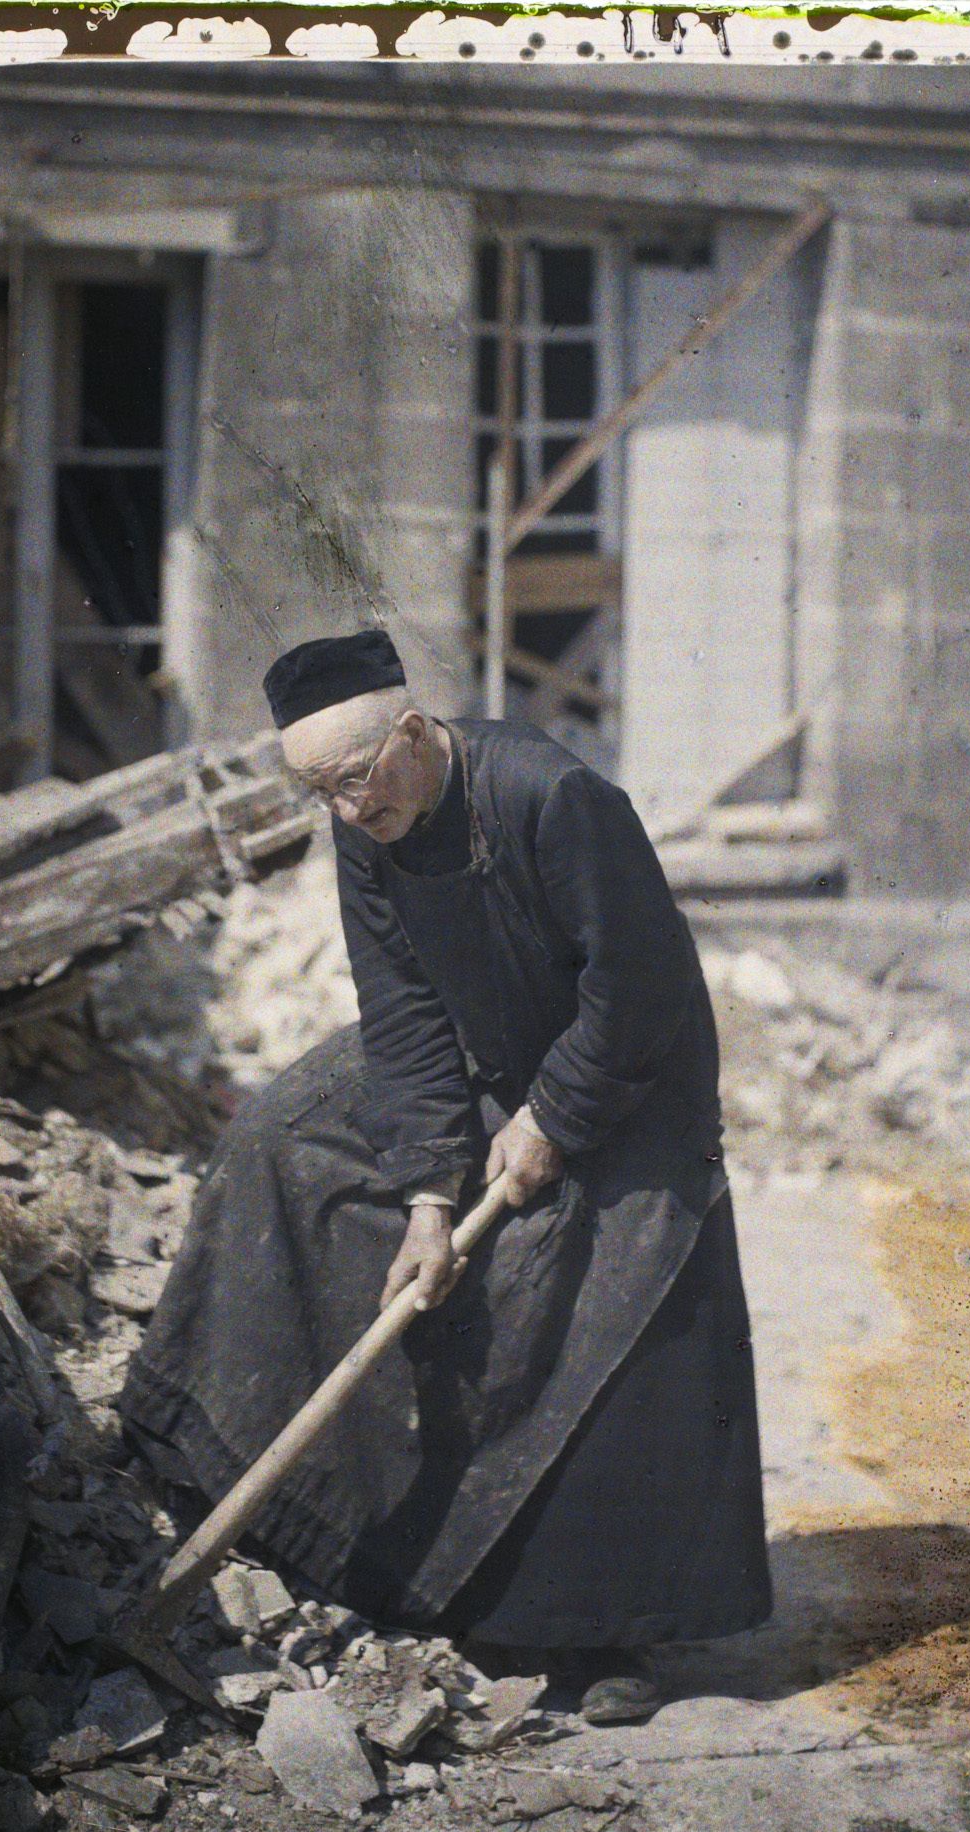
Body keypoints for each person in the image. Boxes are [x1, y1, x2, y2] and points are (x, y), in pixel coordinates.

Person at [120, 627, 772, 1721]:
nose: (346, 812)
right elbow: (402, 1011)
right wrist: (428, 1194)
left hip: (629, 1077)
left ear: (415, 735)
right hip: (482, 1051)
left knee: (590, 1284)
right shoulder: (365, 826)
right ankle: (236, 1472)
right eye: (320, 794)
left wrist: (553, 1115)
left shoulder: (554, 796)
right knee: (279, 1138)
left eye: (355, 781)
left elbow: (640, 984)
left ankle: (602, 1633)